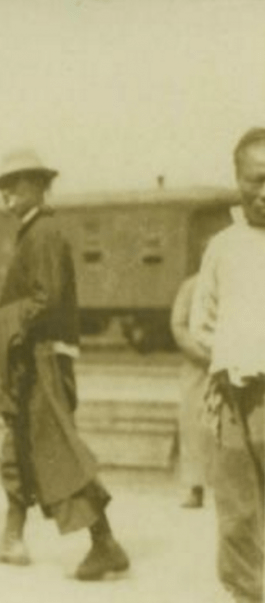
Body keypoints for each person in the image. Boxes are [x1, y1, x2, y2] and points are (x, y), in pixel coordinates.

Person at [0, 148, 129, 580]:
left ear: (39, 186)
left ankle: (105, 544)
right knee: (18, 445)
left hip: (42, 357)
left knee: (56, 447)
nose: (6, 193)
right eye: (2, 186)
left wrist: (2, 324)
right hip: (31, 356)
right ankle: (12, 537)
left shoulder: (43, 233)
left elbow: (47, 300)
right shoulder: (33, 232)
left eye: (16, 184)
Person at [190, 127, 265, 603]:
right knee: (237, 512)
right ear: (237, 181)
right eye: (255, 180)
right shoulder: (223, 247)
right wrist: (231, 358)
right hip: (236, 398)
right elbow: (202, 321)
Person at [170, 271, 213, 509]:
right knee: (193, 426)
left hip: (233, 362)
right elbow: (178, 325)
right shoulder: (191, 286)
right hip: (198, 366)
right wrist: (202, 355)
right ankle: (195, 487)